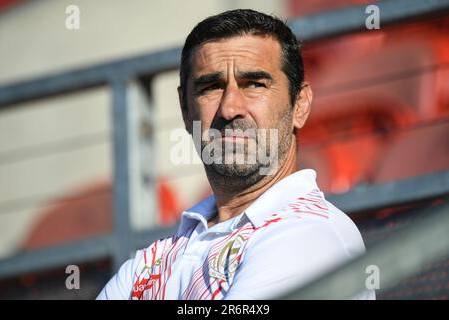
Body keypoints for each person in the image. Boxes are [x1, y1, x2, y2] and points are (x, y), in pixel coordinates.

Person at [97, 9, 375, 300]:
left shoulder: (312, 234)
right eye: (211, 87)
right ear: (184, 109)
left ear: (300, 105)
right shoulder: (148, 263)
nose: (230, 109)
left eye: (255, 84)